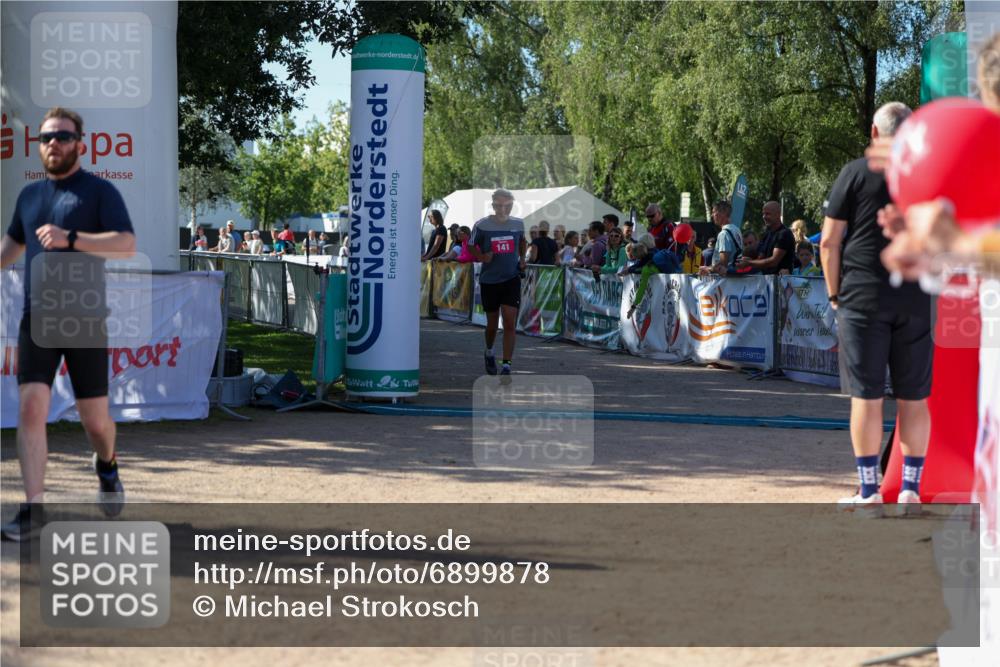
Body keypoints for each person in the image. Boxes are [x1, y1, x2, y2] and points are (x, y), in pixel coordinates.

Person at [0, 107, 136, 540]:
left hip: (85, 321)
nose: (52, 144)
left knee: (95, 422)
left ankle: (107, 465)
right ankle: (34, 509)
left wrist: (71, 239)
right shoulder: (29, 197)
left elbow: (126, 244)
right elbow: (9, 250)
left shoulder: (99, 192)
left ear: (81, 143)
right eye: (45, 138)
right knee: (31, 408)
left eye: (61, 136)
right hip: (36, 319)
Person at [819, 101, 931, 510]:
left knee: (866, 398)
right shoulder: (927, 172)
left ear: (873, 132)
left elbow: (829, 242)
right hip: (917, 296)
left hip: (863, 298)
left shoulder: (853, 173)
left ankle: (869, 491)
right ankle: (910, 490)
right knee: (913, 398)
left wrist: (834, 295)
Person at [469, 189, 526, 378]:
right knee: (492, 324)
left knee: (509, 322)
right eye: (500, 205)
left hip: (511, 279)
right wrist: (482, 256)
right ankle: (489, 351)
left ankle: (507, 365)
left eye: (507, 205)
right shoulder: (482, 225)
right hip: (490, 281)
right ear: (493, 205)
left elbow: (523, 241)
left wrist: (522, 259)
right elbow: (469, 245)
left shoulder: (518, 224)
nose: (504, 209)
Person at [737, 201, 795, 275]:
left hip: (781, 283)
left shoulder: (784, 234)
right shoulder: (767, 234)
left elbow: (774, 261)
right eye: (763, 214)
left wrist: (749, 263)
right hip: (765, 281)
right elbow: (761, 258)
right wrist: (747, 260)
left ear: (777, 215)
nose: (764, 217)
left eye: (768, 214)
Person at [700, 200, 742, 275]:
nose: (712, 215)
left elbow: (723, 264)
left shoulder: (724, 234)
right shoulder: (736, 230)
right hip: (735, 276)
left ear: (723, 213)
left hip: (726, 280)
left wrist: (707, 269)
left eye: (714, 212)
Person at [625, 243, 660, 319]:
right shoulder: (656, 254)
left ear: (638, 258)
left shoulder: (646, 269)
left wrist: (633, 307)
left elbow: (642, 288)